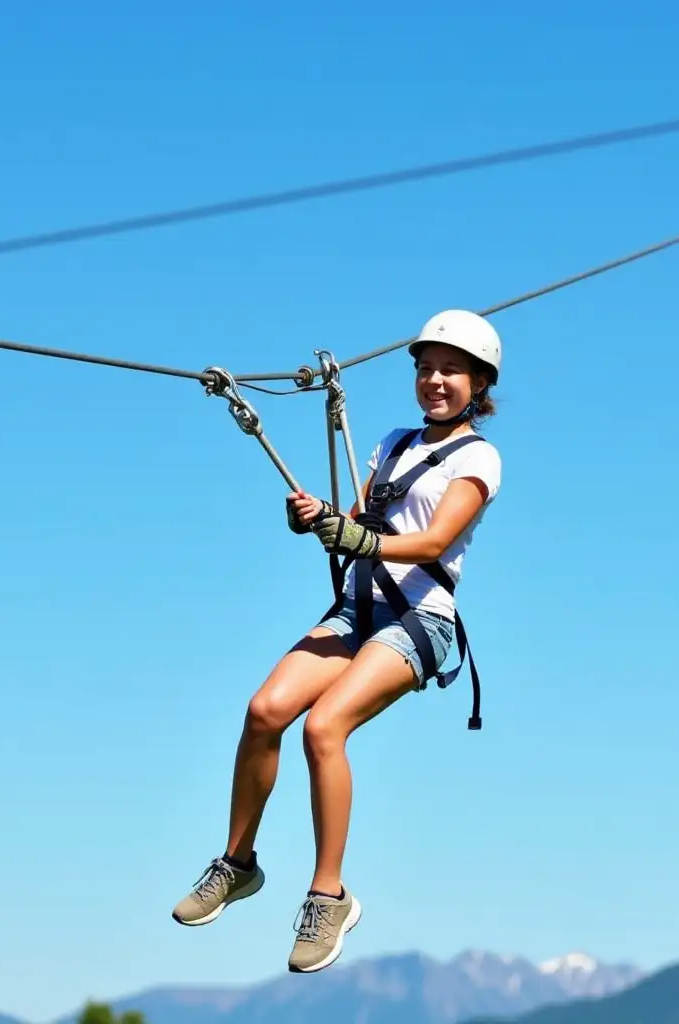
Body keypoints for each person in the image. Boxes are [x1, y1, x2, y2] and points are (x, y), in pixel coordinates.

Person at [170, 309, 503, 975]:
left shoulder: (478, 458)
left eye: (451, 371)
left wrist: (355, 538)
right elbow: (361, 523)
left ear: (478, 383)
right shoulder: (392, 443)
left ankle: (329, 895)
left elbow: (433, 541)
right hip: (359, 609)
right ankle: (237, 863)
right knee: (265, 712)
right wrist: (321, 520)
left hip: (420, 621)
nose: (435, 380)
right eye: (426, 369)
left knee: (324, 728)